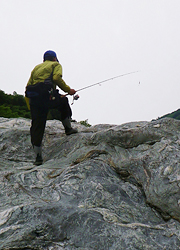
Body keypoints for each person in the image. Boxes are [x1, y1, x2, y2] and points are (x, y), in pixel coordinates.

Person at [25, 50, 78, 166]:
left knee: (37, 127)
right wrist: (69, 90)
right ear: (54, 58)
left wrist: (31, 107)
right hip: (48, 97)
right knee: (63, 101)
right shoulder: (56, 65)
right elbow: (56, 78)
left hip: (35, 101)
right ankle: (68, 129)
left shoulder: (36, 68)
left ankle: (38, 158)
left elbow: (27, 86)